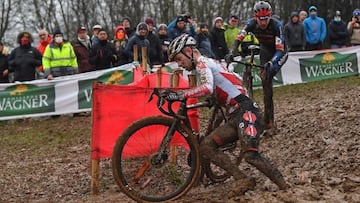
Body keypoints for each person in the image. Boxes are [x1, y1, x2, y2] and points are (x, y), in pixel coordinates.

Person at [162, 33, 288, 196]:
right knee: (206, 146)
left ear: (188, 51)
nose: (180, 64)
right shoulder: (209, 63)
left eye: (179, 59)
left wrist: (180, 95)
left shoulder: (202, 63)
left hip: (247, 112)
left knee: (250, 155)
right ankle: (242, 179)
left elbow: (207, 87)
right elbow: (223, 85)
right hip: (235, 115)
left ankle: (285, 187)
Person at [226, 1, 288, 132]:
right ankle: (261, 116)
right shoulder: (251, 24)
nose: (263, 22)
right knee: (263, 77)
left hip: (279, 52)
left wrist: (272, 63)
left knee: (267, 78)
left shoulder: (277, 25)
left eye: (266, 19)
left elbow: (280, 50)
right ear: (256, 18)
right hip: (265, 50)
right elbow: (237, 40)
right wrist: (231, 52)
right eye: (261, 19)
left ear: (270, 17)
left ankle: (269, 121)